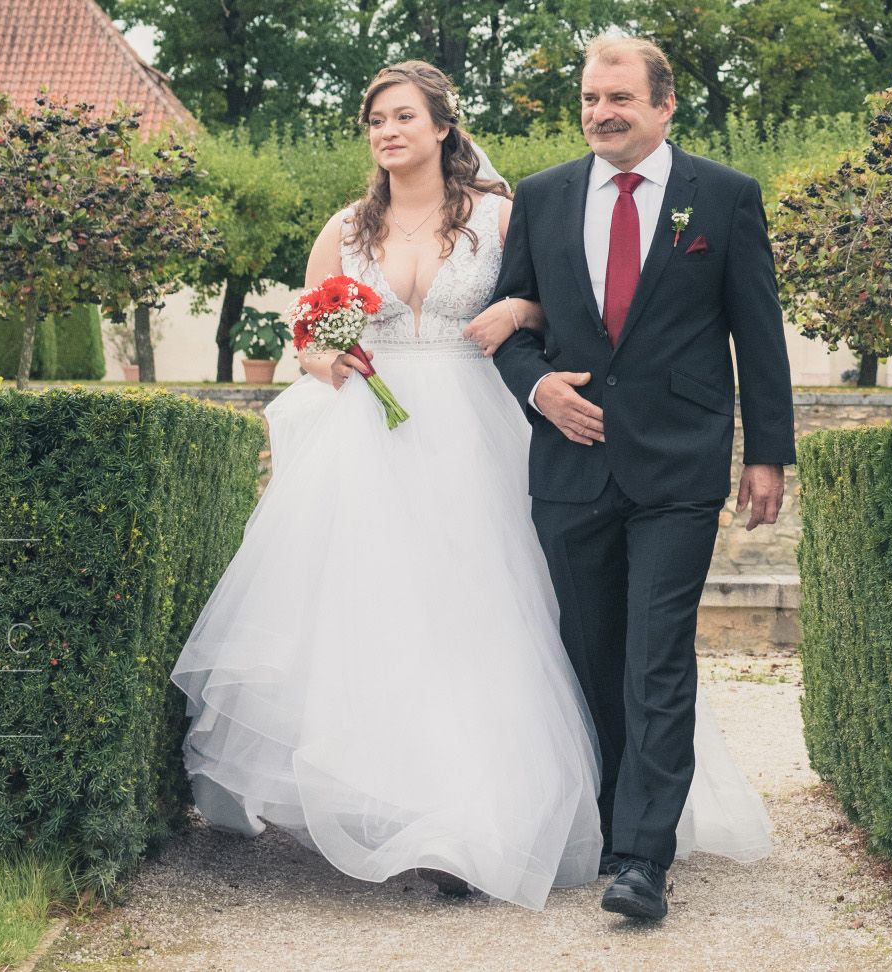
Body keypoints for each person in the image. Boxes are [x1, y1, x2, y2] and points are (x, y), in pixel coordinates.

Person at [169, 58, 771, 913]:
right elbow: (308, 330)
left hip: (479, 436)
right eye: (376, 119)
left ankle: (500, 823)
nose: (388, 131)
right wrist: (323, 358)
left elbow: (556, 301)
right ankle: (401, 814)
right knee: (381, 627)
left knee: (490, 623)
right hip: (370, 449)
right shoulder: (346, 228)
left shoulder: (502, 213)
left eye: (403, 116)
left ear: (443, 126)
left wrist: (517, 313)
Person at [491, 35, 796, 922]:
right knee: (591, 657)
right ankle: (608, 819)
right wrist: (539, 388)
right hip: (570, 466)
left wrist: (766, 452)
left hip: (678, 465)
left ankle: (643, 859)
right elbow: (510, 327)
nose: (601, 113)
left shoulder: (724, 197)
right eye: (591, 98)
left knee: (656, 655)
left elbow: (758, 331)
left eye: (619, 98)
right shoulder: (542, 197)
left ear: (664, 106)